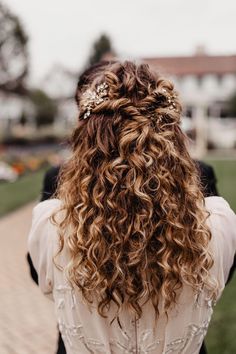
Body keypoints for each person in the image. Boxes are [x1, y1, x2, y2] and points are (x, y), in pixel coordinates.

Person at [28, 61, 236, 354]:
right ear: (173, 138)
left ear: (88, 141)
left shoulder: (52, 224)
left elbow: (47, 284)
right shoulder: (217, 222)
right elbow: (220, 279)